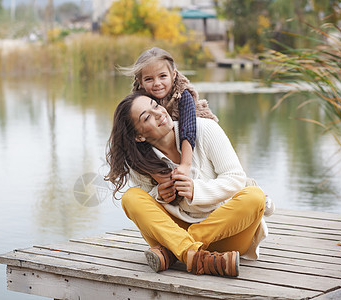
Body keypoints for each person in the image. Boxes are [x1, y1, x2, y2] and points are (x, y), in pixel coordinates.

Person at [105, 91, 273, 277]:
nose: (160, 113)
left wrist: (196, 191)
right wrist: (159, 194)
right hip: (177, 232)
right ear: (139, 136)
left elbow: (235, 177)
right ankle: (200, 258)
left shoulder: (205, 129)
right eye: (147, 117)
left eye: (156, 105)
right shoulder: (141, 162)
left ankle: (175, 252)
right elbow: (147, 209)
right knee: (131, 197)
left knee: (254, 196)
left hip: (226, 235)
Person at [119, 47, 218, 179]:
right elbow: (131, 140)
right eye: (149, 79)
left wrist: (185, 165)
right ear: (140, 82)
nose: (157, 83)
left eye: (163, 76)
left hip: (194, 141)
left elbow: (188, 130)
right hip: (165, 147)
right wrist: (157, 176)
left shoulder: (183, 95)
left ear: (174, 75)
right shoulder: (139, 103)